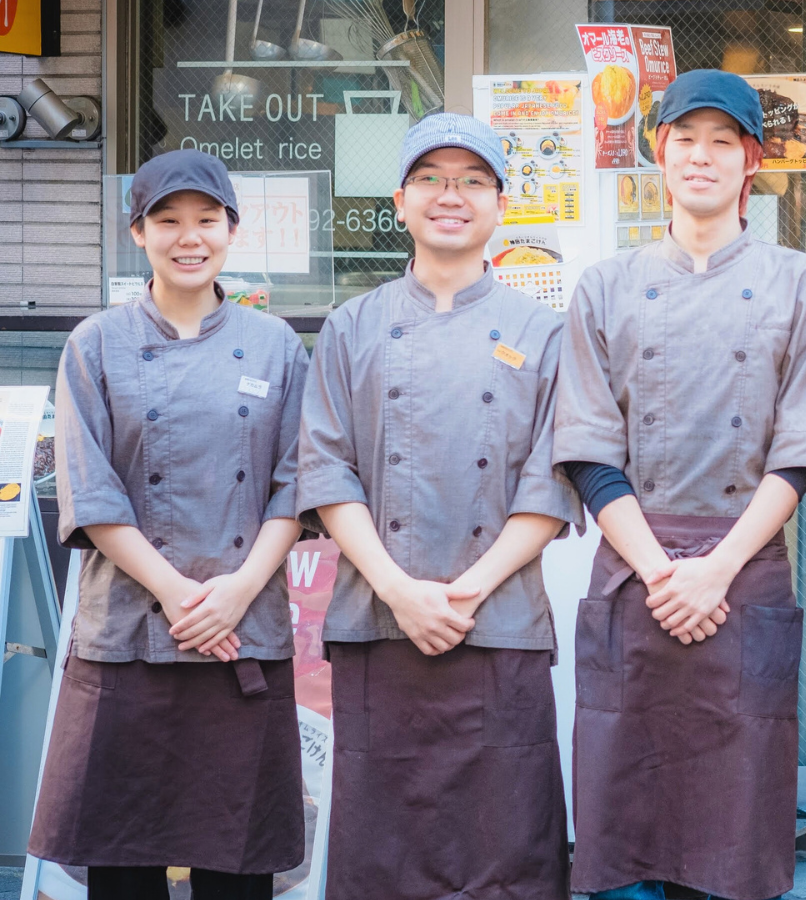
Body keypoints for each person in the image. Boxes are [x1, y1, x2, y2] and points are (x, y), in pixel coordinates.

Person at [554, 68, 806, 900]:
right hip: (634, 577)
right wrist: (660, 571)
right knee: (626, 826)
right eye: (687, 138)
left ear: (753, 159)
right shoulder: (605, 287)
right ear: (658, 151)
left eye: (724, 141)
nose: (703, 156)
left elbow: (802, 448)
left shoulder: (803, 284)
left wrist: (714, 570)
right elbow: (587, 448)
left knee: (733, 836)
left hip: (742, 577)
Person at [296, 113, 581, 900]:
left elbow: (550, 482)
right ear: (399, 200)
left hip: (499, 626)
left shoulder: (543, 331)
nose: (449, 196)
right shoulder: (352, 326)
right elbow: (326, 471)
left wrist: (466, 591)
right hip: (377, 623)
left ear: (500, 204)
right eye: (431, 179)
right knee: (381, 851)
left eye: (471, 181)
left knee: (506, 847)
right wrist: (398, 590)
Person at [29, 148, 308, 900]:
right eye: (168, 221)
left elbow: (295, 487)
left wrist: (236, 592)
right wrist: (183, 596)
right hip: (127, 634)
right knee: (122, 867)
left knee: (237, 864)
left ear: (232, 230)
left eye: (206, 221)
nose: (190, 237)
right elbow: (92, 493)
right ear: (137, 231)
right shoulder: (96, 343)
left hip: (241, 629)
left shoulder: (277, 346)